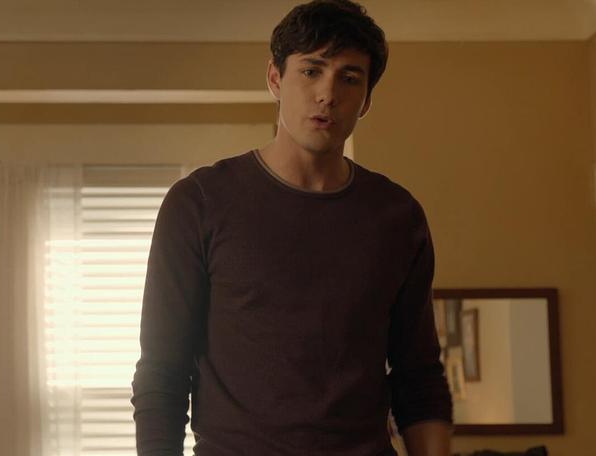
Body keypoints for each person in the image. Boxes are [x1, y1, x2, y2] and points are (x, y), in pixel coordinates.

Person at [130, 0, 453, 455]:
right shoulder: (199, 203)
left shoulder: (398, 217)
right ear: (275, 79)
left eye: (349, 78)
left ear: (366, 101)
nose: (328, 94)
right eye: (311, 71)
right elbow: (162, 374)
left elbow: (418, 376)